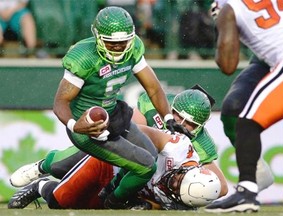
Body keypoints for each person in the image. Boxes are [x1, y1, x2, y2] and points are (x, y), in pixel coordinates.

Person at [48, 6, 183, 209]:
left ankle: (110, 190)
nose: (119, 47)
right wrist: (75, 126)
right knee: (145, 165)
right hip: (88, 126)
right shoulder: (84, 57)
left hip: (113, 114)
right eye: (112, 42)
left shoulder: (134, 47)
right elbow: (60, 102)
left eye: (123, 42)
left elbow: (153, 87)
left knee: (150, 153)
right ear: (98, 37)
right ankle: (113, 203)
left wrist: (168, 117)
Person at [8, 124, 221, 210]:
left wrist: (145, 205)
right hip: (115, 160)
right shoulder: (180, 150)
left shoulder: (182, 205)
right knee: (60, 166)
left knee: (59, 201)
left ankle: (40, 187)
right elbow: (143, 134)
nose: (171, 182)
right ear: (190, 169)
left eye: (175, 188)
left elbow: (156, 204)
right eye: (178, 178)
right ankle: (41, 167)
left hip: (119, 188)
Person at [205, 0, 283, 213]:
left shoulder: (229, 9)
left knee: (248, 121)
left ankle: (247, 190)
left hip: (282, 60)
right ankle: (253, 179)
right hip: (267, 60)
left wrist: (222, 23)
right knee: (236, 108)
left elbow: (227, 65)